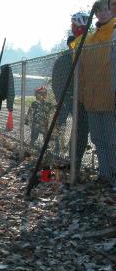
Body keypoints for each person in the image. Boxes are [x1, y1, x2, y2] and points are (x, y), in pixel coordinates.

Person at [78, 0, 116, 187]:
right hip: (92, 99)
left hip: (110, 97)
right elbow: (82, 69)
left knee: (112, 140)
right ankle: (104, 174)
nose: (102, 13)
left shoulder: (114, 33)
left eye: (105, 9)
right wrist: (83, 95)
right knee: (98, 140)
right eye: (98, 10)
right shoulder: (90, 39)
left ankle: (114, 176)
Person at [51, 33, 89, 169]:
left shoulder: (61, 59)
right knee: (79, 127)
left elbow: (55, 81)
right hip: (75, 99)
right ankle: (72, 158)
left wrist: (58, 97)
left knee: (61, 124)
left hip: (64, 98)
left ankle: (57, 151)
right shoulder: (76, 57)